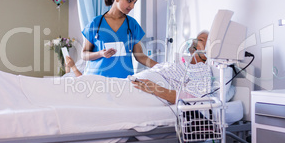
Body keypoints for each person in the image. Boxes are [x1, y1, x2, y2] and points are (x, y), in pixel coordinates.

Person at [65, 31, 213, 105]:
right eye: (195, 38)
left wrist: (156, 89)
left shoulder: (203, 70)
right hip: (136, 83)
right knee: (94, 87)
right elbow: (150, 63)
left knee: (95, 91)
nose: (193, 42)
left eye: (200, 40)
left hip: (149, 91)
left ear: (210, 50)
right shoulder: (179, 64)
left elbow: (193, 99)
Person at [81, 0, 157, 79]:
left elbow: (140, 56)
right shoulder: (96, 23)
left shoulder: (132, 24)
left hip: (123, 80)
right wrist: (100, 53)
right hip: (97, 80)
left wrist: (161, 67)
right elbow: (84, 54)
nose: (132, 6)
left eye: (134, 2)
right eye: (129, 1)